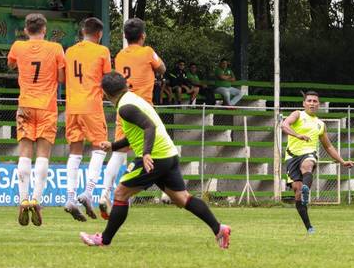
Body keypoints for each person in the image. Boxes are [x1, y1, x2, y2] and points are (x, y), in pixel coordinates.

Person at [80, 71, 231, 248]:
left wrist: (146, 154)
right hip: (168, 154)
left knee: (121, 193)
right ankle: (219, 228)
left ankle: (103, 240)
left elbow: (148, 127)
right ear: (125, 85)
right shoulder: (132, 99)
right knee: (182, 198)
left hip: (155, 157)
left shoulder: (125, 107)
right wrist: (113, 146)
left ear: (105, 93)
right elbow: (138, 133)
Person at [98, 18, 166, 219]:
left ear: (125, 37)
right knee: (159, 149)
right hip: (144, 109)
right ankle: (166, 192)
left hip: (124, 106)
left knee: (118, 151)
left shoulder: (119, 55)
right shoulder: (147, 52)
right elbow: (162, 68)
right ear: (143, 36)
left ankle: (104, 194)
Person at [7, 13, 66, 227]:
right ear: (45, 30)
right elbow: (61, 78)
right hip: (47, 106)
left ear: (25, 30)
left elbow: (11, 64)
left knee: (24, 153)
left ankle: (22, 199)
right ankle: (36, 200)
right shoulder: (56, 48)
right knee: (43, 156)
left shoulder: (18, 47)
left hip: (25, 105)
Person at [280, 91, 354, 234]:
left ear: (319, 105)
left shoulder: (320, 124)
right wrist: (298, 135)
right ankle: (309, 227)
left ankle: (306, 190)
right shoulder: (298, 114)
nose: (312, 103)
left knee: (307, 164)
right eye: (309, 101)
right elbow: (284, 125)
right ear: (304, 103)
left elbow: (328, 146)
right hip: (291, 156)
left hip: (308, 153)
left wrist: (342, 161)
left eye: (315, 101)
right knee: (296, 190)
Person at [63, 17, 111, 222]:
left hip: (72, 106)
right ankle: (88, 192)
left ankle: (70, 198)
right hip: (92, 105)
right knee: (100, 148)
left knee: (74, 152)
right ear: (99, 34)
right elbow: (108, 81)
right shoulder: (102, 52)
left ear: (83, 31)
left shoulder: (70, 51)